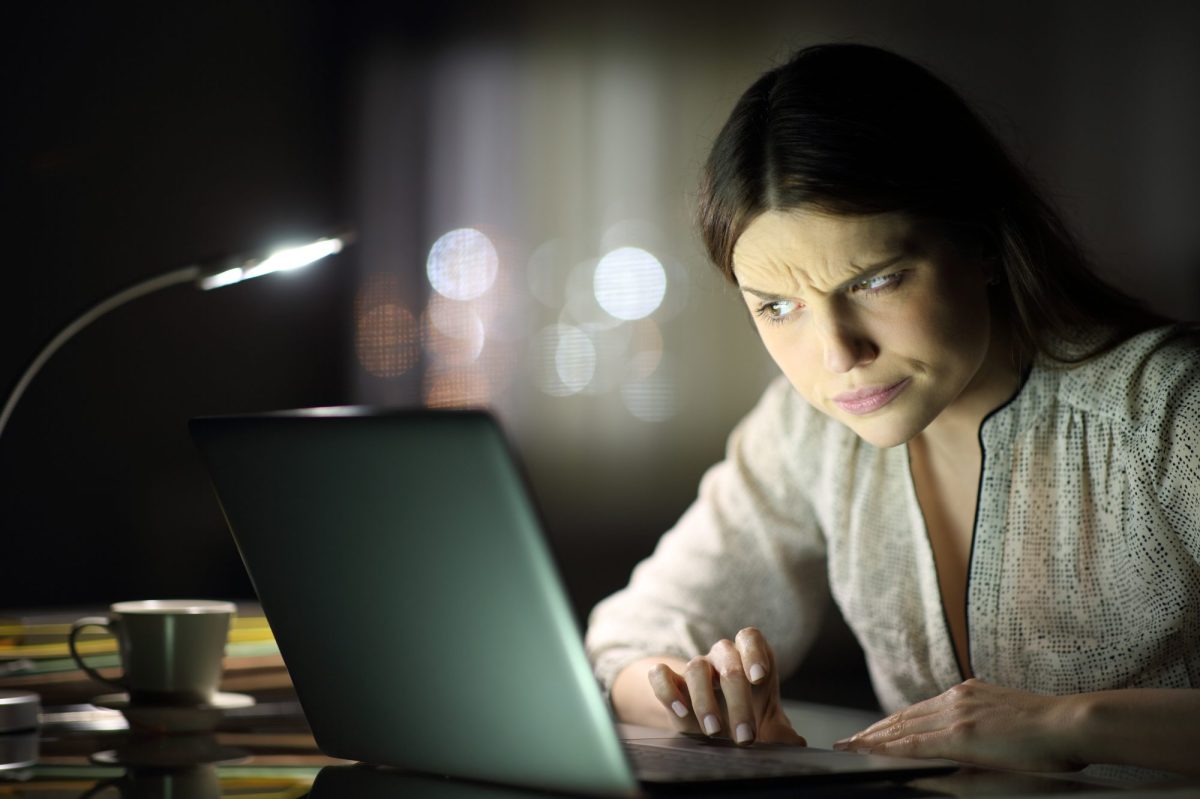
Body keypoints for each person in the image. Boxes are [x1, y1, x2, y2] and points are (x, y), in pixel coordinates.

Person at [584, 43, 1200, 775]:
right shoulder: (807, 429)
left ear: (982, 243)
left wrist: (1072, 723)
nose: (837, 353)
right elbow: (626, 640)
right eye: (778, 307)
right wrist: (699, 702)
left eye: (875, 281)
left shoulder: (1164, 411)